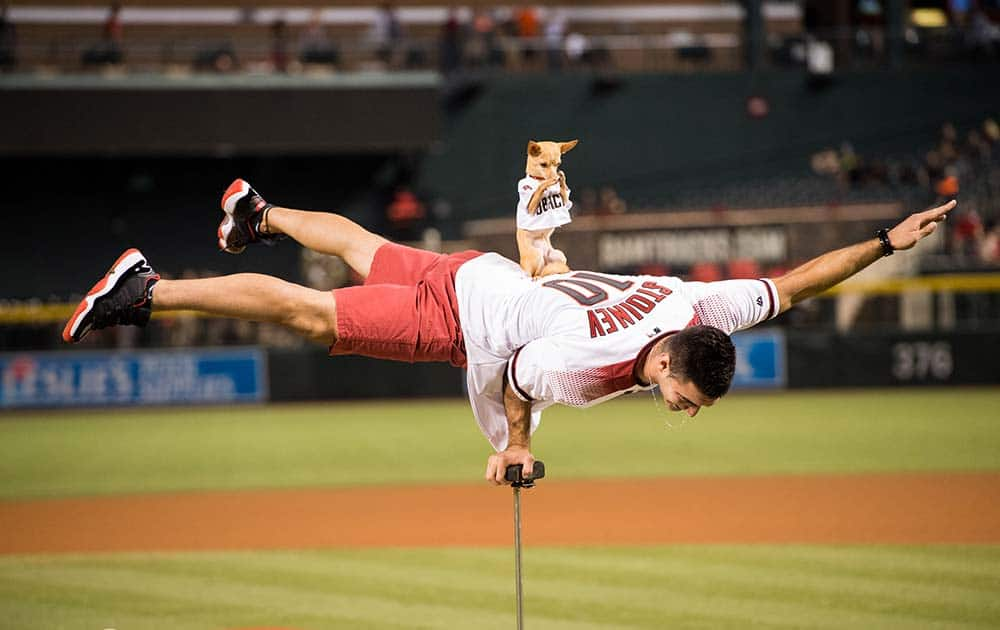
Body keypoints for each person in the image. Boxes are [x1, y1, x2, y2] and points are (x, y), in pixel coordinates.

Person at [62, 179, 954, 484]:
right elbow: (514, 381)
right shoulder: (594, 369)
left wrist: (883, 241)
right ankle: (152, 288)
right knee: (307, 315)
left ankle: (257, 211)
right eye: (685, 397)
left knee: (366, 245)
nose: (680, 409)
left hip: (480, 274)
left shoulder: (700, 307)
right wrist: (511, 450)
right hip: (460, 320)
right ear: (670, 360)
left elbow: (795, 283)